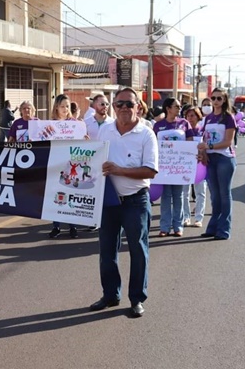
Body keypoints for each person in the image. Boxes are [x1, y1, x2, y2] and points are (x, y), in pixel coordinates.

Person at [90, 87, 158, 318]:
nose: (124, 108)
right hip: (108, 201)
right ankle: (110, 295)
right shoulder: (106, 131)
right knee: (107, 251)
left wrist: (119, 170)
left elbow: (150, 170)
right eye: (119, 104)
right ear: (113, 106)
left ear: (138, 106)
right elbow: (95, 161)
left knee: (138, 250)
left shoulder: (146, 133)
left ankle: (137, 298)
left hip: (135, 201)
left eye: (129, 104)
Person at [197, 88, 237, 240]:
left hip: (225, 159)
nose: (215, 101)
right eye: (213, 98)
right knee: (215, 196)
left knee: (224, 194)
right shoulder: (208, 118)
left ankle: (223, 230)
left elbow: (228, 141)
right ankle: (213, 227)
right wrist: (204, 152)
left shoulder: (228, 117)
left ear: (225, 100)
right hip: (211, 159)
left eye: (219, 98)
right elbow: (204, 139)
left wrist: (209, 147)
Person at [153, 97, 194, 237]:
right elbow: (153, 146)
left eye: (179, 106)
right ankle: (164, 227)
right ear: (168, 108)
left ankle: (178, 226)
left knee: (178, 196)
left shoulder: (184, 123)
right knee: (165, 197)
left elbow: (190, 143)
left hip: (179, 167)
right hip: (164, 167)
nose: (179, 108)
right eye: (176, 106)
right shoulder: (158, 125)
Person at [49, 94, 80, 239]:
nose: (65, 109)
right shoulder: (49, 124)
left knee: (71, 196)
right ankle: (56, 226)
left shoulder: (75, 124)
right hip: (54, 165)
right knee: (56, 196)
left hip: (70, 165)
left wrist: (85, 139)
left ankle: (73, 226)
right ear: (56, 107)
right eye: (62, 106)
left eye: (67, 106)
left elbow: (82, 143)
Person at [183, 106, 207, 228]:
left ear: (198, 117)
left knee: (200, 192)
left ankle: (198, 218)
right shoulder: (183, 131)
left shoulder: (203, 131)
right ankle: (186, 217)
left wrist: (203, 155)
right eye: (188, 116)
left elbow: (208, 147)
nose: (190, 118)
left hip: (200, 166)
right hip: (185, 166)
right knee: (184, 193)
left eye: (192, 116)